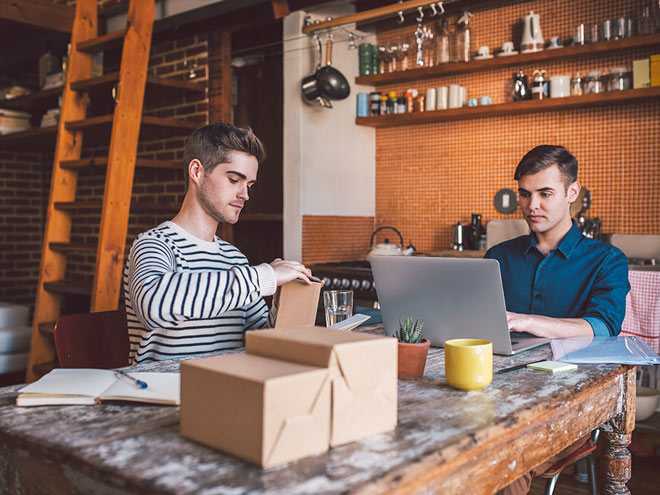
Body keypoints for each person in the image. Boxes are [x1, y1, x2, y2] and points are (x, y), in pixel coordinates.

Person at [487, 145, 630, 495]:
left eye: (545, 193)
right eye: (525, 194)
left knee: (502, 461)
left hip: (569, 403)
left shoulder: (607, 259)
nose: (532, 205)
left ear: (571, 193)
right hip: (494, 394)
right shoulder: (498, 257)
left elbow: (602, 327)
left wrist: (529, 321)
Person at [123, 123, 312, 364]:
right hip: (169, 395)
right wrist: (266, 276)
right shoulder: (154, 244)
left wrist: (282, 302)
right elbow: (154, 306)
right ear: (197, 172)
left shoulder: (234, 258)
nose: (245, 194)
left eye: (249, 185)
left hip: (227, 390)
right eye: (234, 179)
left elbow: (259, 338)